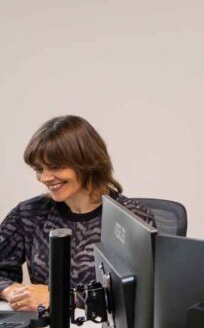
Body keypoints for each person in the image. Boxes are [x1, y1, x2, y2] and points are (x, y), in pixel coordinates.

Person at [0, 115, 155, 312]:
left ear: (87, 163)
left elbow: (138, 299)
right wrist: (13, 291)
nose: (44, 177)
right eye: (39, 169)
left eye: (55, 167)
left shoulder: (133, 219)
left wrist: (59, 299)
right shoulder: (29, 214)